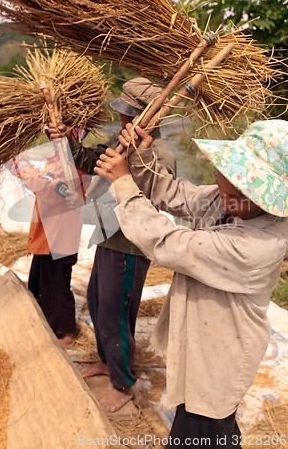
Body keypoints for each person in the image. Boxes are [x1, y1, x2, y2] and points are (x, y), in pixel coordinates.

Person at [93, 118, 288, 446]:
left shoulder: (255, 246)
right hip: (203, 338)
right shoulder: (233, 202)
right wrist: (142, 158)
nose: (221, 194)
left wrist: (124, 183)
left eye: (231, 191)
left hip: (221, 353)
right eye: (220, 180)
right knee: (215, 427)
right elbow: (175, 193)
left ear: (260, 197)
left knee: (201, 427)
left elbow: (166, 241)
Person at [48, 77, 176, 412]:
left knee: (115, 313)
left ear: (146, 118)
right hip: (108, 237)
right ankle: (107, 361)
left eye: (128, 116)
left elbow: (151, 201)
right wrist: (63, 142)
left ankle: (123, 382)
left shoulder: (157, 155)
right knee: (97, 301)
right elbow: (90, 159)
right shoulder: (118, 143)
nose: (121, 121)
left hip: (130, 248)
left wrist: (129, 163)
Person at [7, 133, 89, 348]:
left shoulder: (71, 163)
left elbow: (52, 192)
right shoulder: (54, 159)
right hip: (47, 236)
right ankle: (46, 326)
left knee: (56, 287)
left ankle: (65, 333)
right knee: (40, 285)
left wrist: (23, 166)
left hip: (59, 237)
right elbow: (40, 181)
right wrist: (15, 163)